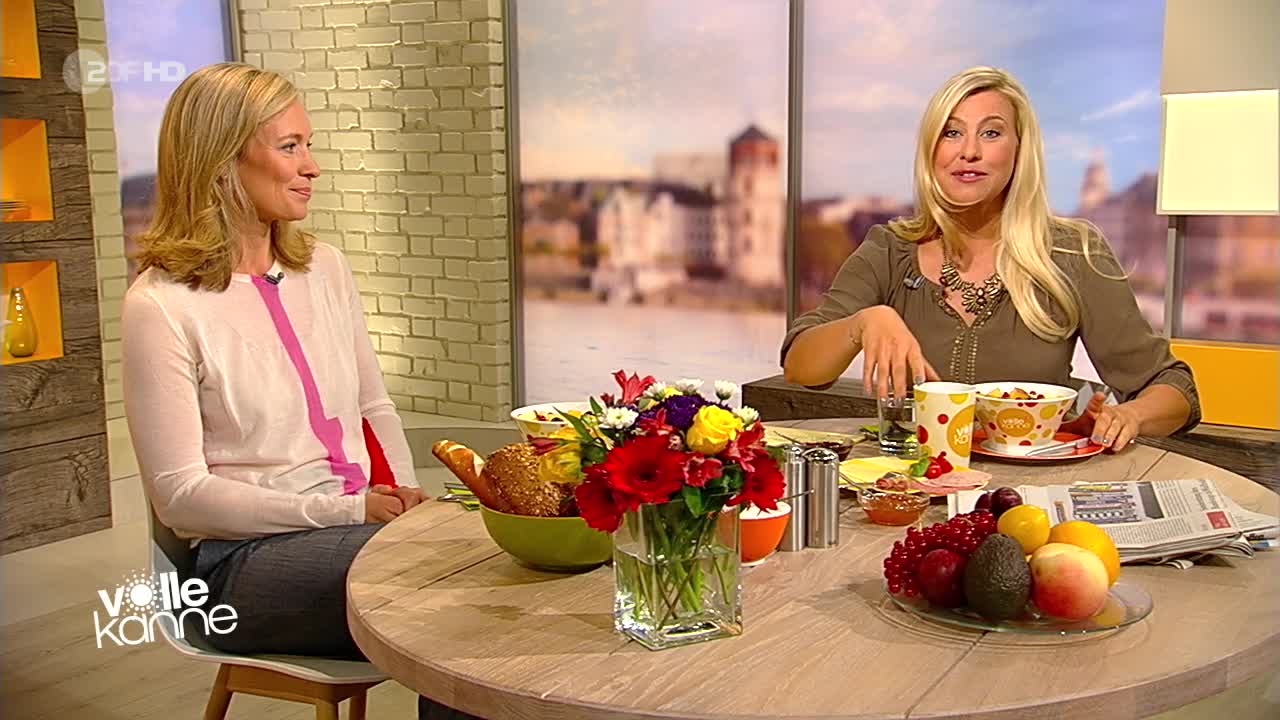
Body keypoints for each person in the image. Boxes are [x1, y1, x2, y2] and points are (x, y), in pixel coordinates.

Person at [122, 63, 475, 720]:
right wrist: (349, 513)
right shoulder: (162, 306)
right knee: (454, 595)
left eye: (308, 144)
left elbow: (373, 405)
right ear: (222, 162)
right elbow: (181, 499)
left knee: (490, 561)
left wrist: (403, 501)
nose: (312, 166)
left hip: (356, 529)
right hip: (240, 565)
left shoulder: (325, 268)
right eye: (290, 147)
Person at [781, 66, 1198, 452]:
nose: (969, 151)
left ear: (1019, 150)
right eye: (952, 133)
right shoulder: (889, 250)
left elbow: (1173, 387)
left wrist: (1128, 416)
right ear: (931, 150)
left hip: (1032, 491)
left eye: (991, 133)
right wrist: (863, 323)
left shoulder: (1074, 253)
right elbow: (801, 366)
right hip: (916, 485)